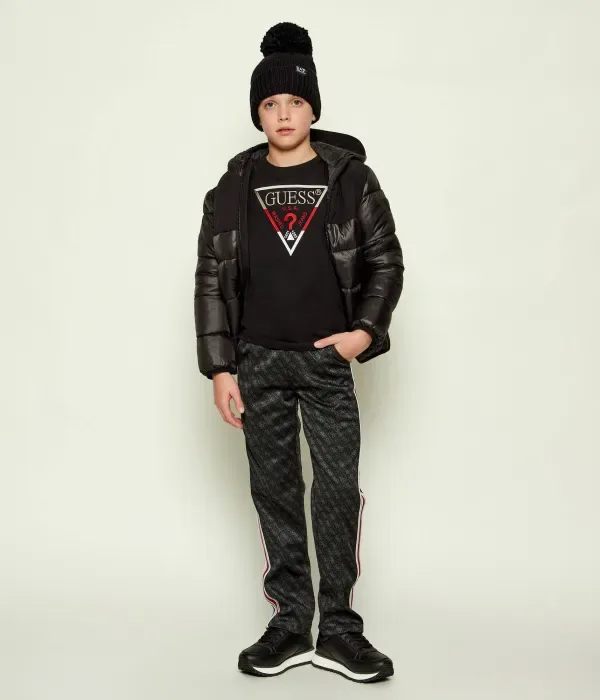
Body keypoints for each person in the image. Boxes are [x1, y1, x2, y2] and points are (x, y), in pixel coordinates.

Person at [194, 22, 404, 683]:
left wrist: (363, 333)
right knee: (275, 492)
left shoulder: (350, 179)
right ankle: (290, 624)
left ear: (313, 108)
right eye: (270, 103)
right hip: (257, 362)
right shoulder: (232, 187)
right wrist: (220, 367)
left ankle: (338, 629)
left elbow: (385, 260)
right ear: (257, 113)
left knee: (336, 492)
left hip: (325, 362)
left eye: (295, 101)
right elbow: (211, 278)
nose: (283, 114)